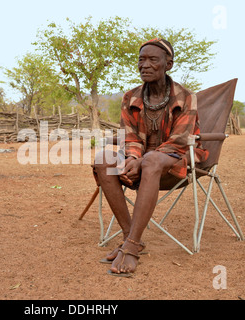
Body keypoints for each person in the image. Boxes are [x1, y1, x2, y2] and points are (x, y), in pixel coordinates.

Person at [93, 38, 209, 277]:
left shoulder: (186, 97)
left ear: (168, 64)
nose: (144, 65)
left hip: (177, 162)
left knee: (152, 160)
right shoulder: (130, 97)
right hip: (143, 163)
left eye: (152, 60)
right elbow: (131, 136)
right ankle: (129, 237)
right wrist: (134, 158)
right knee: (104, 158)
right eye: (141, 59)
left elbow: (179, 141)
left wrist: (143, 159)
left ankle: (132, 247)